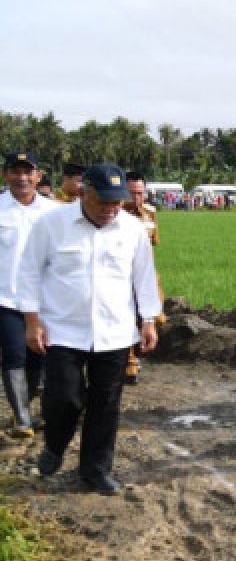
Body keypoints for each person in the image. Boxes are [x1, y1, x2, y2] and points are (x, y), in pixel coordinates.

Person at [20, 164, 160, 494]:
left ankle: (95, 470)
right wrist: (31, 322)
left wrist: (149, 320)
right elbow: (27, 274)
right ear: (85, 192)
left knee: (106, 403)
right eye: (103, 203)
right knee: (65, 398)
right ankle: (55, 445)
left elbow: (143, 278)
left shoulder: (132, 230)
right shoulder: (52, 224)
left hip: (115, 331)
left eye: (117, 203)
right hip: (63, 330)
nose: (111, 210)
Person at [0, 152, 57, 438]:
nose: (22, 178)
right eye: (15, 171)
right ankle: (22, 418)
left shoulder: (53, 212)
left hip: (44, 300)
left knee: (38, 356)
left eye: (27, 172)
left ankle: (24, 405)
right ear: (5, 174)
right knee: (13, 354)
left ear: (38, 176)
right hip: (6, 297)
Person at [122, 172, 165, 385]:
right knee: (126, 317)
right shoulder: (114, 214)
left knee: (151, 316)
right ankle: (129, 364)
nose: (135, 198)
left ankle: (134, 355)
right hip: (121, 278)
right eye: (131, 193)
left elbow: (152, 247)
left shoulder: (150, 214)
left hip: (145, 275)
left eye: (139, 193)